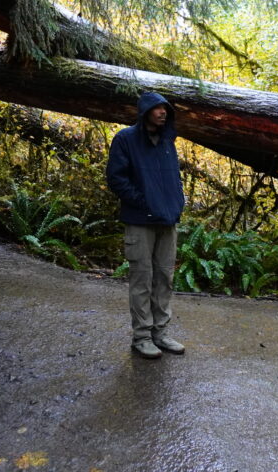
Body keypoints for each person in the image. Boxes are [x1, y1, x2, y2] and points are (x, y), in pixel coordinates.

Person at [106, 92, 187, 359]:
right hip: (140, 221)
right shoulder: (125, 139)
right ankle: (141, 337)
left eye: (166, 108)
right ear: (145, 112)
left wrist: (176, 204)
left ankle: (160, 334)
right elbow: (116, 179)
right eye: (158, 108)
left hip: (167, 220)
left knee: (164, 277)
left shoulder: (167, 141)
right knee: (142, 279)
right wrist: (145, 202)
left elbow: (173, 177)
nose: (163, 112)